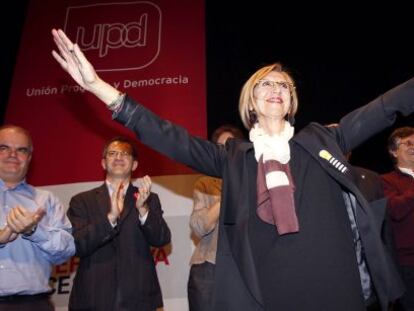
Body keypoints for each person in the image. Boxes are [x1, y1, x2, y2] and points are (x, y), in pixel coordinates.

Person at [51, 28, 414, 311]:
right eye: (266, 84)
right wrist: (100, 87)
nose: (276, 89)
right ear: (251, 101)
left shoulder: (321, 139)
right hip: (265, 291)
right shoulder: (233, 157)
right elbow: (168, 137)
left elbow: (382, 109)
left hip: (333, 287)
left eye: (284, 85)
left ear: (291, 101)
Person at [67, 136, 171, 311]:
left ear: (134, 165)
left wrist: (143, 210)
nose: (118, 157)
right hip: (93, 296)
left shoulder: (149, 199)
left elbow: (161, 238)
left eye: (125, 154)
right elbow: (76, 245)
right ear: (103, 163)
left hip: (139, 297)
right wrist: (110, 218)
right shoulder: (82, 201)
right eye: (112, 153)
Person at [0, 124, 75, 311]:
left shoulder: (45, 200)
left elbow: (67, 250)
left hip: (33, 304)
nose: (12, 154)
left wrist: (33, 231)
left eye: (21, 150)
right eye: (4, 148)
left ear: (29, 158)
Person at [188, 125, 244, 311]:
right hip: (209, 269)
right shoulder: (205, 183)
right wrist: (227, 194)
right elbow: (198, 226)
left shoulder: (251, 180)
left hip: (242, 268)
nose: (224, 151)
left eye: (229, 146)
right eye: (219, 147)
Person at [381, 127, 414, 311]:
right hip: (407, 265)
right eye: (408, 143)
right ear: (394, 151)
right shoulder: (385, 181)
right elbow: (395, 210)